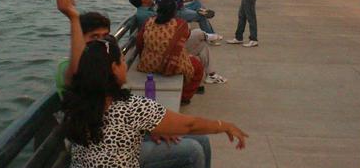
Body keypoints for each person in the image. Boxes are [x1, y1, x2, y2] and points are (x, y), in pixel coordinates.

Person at [57, 0, 217, 168]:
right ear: (79, 40)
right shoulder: (79, 70)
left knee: (201, 138)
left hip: (123, 134)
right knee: (192, 151)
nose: (102, 42)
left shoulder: (107, 67)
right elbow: (75, 72)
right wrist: (73, 18)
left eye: (105, 37)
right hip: (105, 151)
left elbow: (128, 112)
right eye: (94, 37)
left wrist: (152, 127)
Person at [63, 36, 248, 168]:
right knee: (193, 150)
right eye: (122, 61)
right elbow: (189, 125)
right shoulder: (130, 107)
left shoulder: (78, 100)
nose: (125, 65)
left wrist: (156, 127)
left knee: (200, 140)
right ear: (113, 69)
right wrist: (224, 125)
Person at [136, 0, 203, 104]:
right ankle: (184, 97)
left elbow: (139, 42)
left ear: (158, 10)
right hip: (172, 66)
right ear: (174, 12)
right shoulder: (181, 24)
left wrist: (143, 58)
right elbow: (185, 38)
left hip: (147, 64)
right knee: (198, 67)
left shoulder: (148, 22)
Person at [128, 0, 222, 42]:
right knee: (198, 31)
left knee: (197, 5)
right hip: (165, 39)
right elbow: (166, 21)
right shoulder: (146, 14)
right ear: (143, 0)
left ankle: (208, 33)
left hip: (169, 28)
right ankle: (209, 35)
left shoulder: (147, 10)